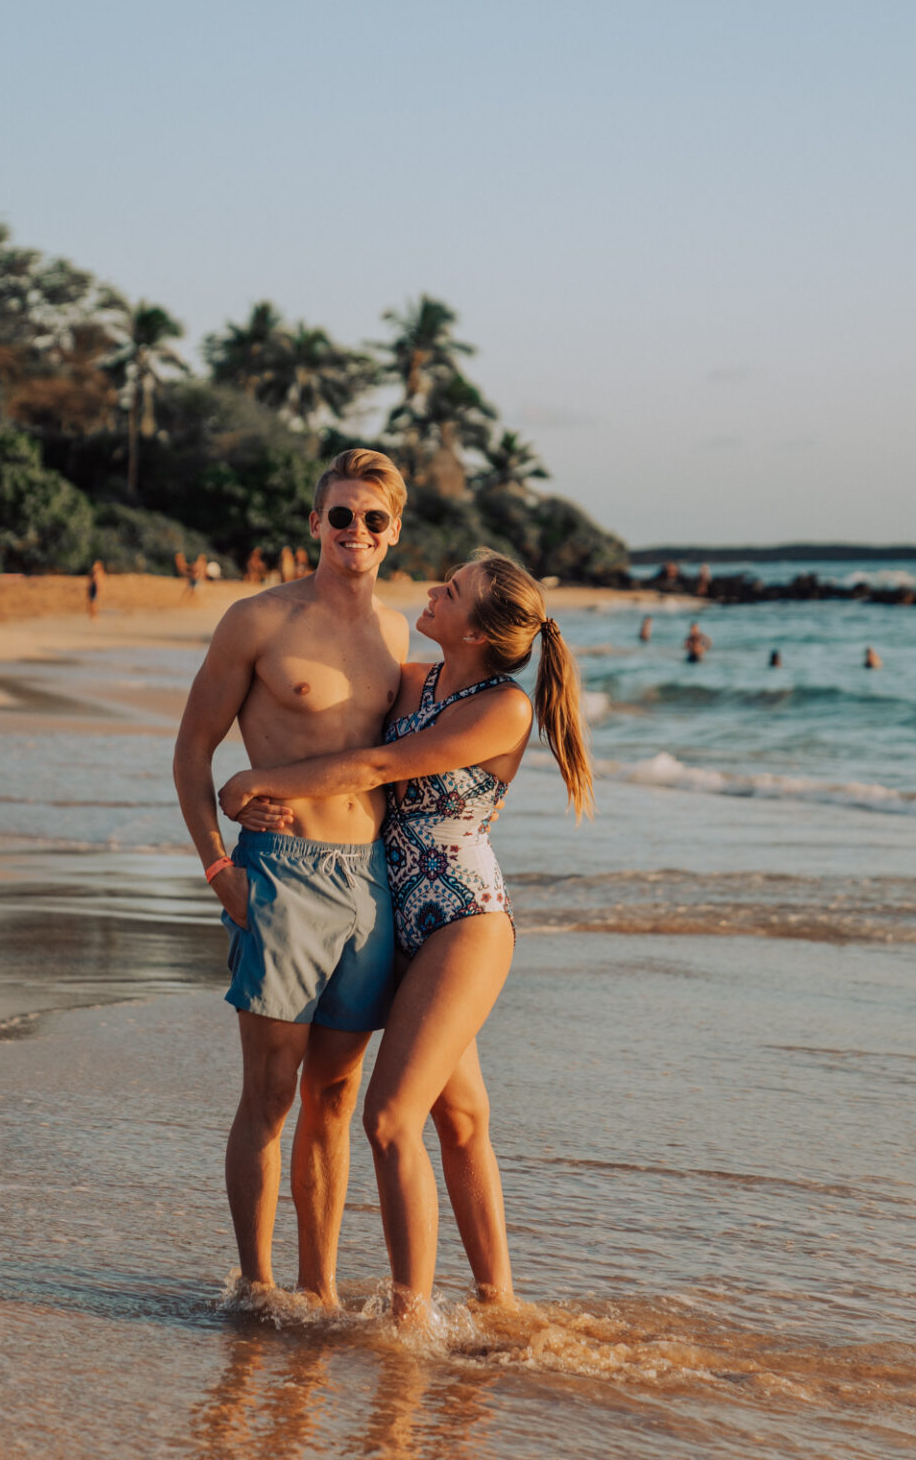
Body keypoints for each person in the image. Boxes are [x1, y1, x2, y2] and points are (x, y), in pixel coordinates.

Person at [220, 548, 594, 1322]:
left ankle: (409, 1318)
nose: (433, 590)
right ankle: (499, 1307)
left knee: (390, 1117)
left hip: (463, 919)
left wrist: (252, 783)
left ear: (479, 633)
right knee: (459, 1121)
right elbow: (333, 722)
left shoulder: (504, 709)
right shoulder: (415, 679)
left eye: (451, 591)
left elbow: (377, 765)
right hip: (393, 914)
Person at [173, 449, 411, 1307]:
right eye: (340, 515)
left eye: (372, 519)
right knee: (270, 1095)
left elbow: (407, 760)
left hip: (369, 883)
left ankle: (318, 1296)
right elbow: (193, 751)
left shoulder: (398, 634)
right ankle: (257, 1285)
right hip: (280, 876)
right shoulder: (258, 620)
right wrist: (216, 866)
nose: (355, 531)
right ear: (314, 524)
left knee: (335, 1101)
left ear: (394, 533)